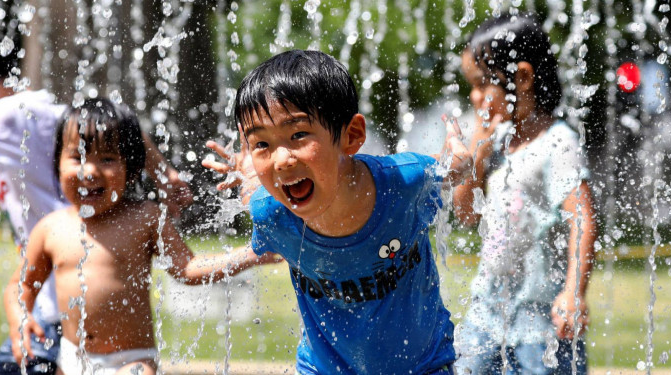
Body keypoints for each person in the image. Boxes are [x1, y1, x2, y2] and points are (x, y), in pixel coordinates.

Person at [0, 17, 191, 375]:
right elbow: (111, 129)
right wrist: (164, 174)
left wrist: (164, 177)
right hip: (58, 296)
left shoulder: (5, 114)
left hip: (58, 302)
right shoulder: (35, 108)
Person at [202, 49, 472, 375]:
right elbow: (256, 197)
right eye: (262, 145)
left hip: (424, 367)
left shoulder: (404, 183)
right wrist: (248, 175)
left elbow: (448, 169)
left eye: (298, 134)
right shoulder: (271, 213)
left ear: (352, 136)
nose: (281, 160)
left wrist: (460, 161)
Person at [3, 98, 274, 375]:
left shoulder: (144, 217)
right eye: (77, 157)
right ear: (57, 162)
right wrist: (19, 319)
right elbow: (21, 285)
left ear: (131, 169)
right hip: (72, 359)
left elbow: (187, 269)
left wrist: (250, 254)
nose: (89, 171)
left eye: (107, 159)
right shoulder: (50, 228)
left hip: (132, 361)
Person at [451, 14, 596, 374]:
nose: (475, 96)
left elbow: (582, 218)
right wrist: (478, 154)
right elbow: (466, 214)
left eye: (483, 83)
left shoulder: (558, 143)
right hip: (485, 313)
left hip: (541, 319)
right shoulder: (496, 144)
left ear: (523, 78)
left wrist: (573, 294)